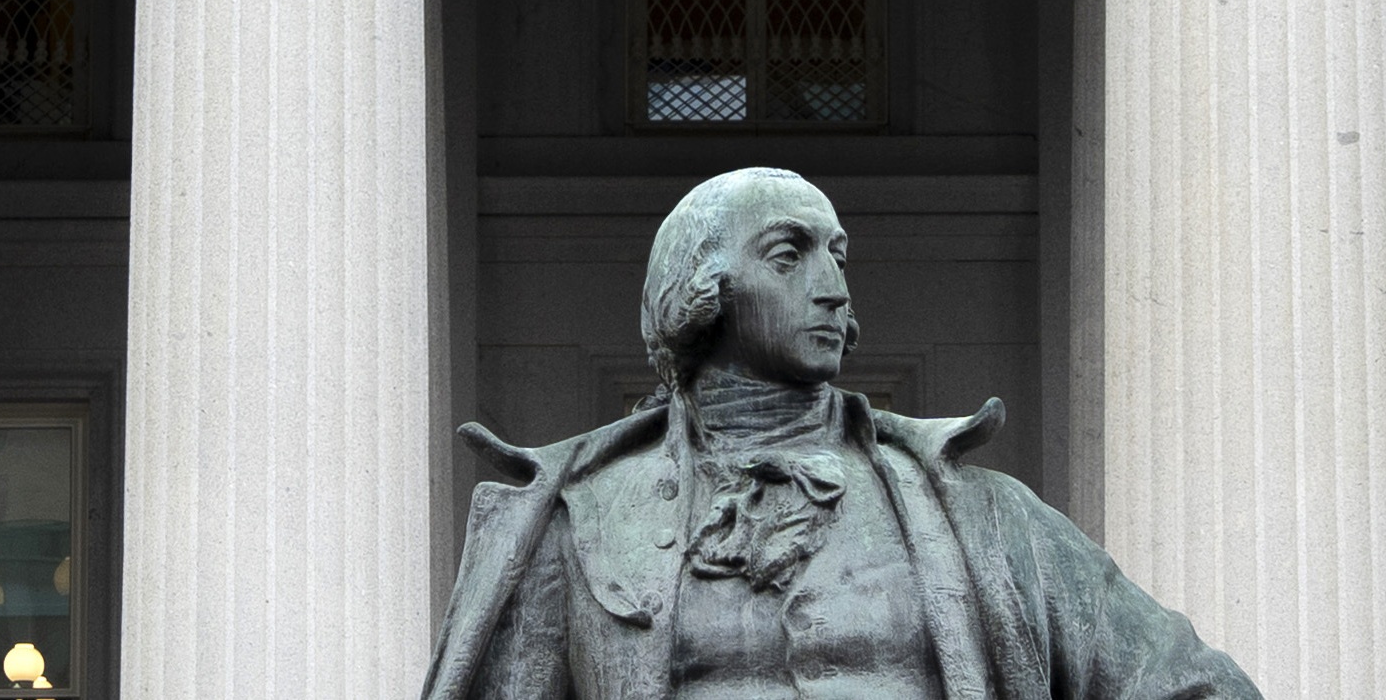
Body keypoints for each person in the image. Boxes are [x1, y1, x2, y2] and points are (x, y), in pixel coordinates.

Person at [425, 167, 1262, 700]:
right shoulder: (580, 520)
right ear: (701, 289)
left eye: (839, 253)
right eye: (789, 254)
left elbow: (1191, 685)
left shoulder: (977, 513)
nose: (833, 287)